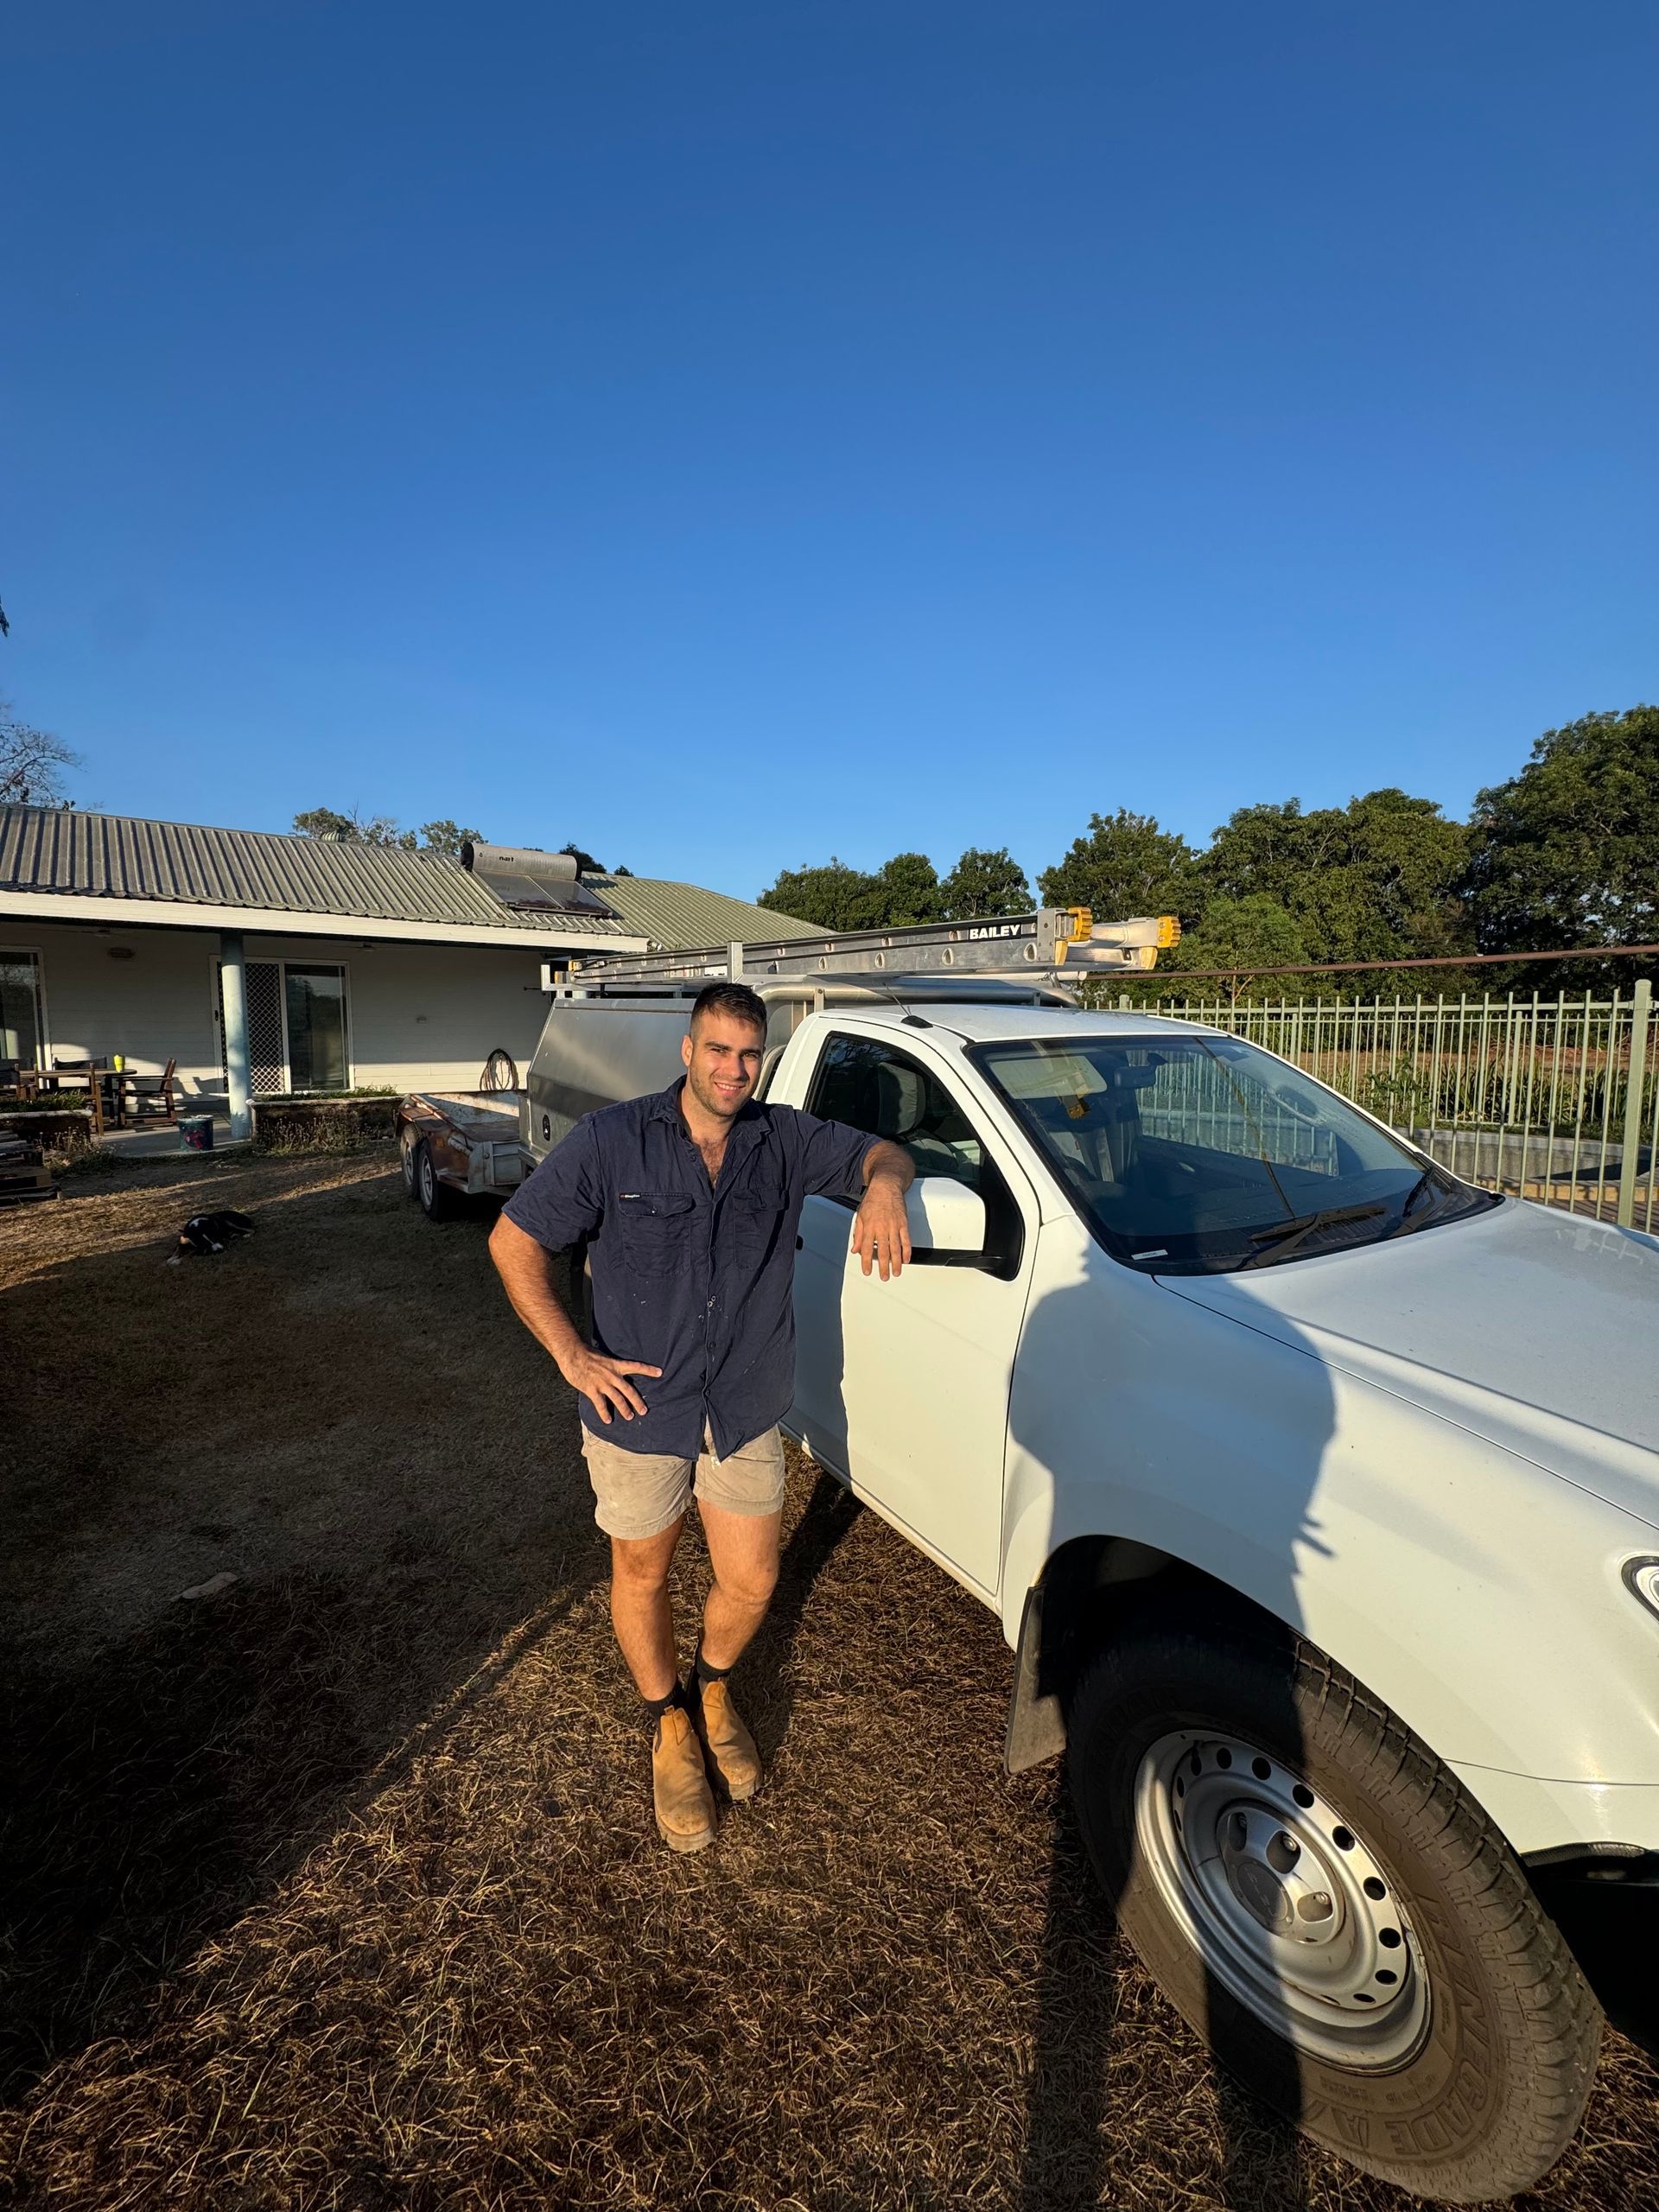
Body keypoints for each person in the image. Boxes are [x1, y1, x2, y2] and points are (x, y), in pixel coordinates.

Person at [489, 980, 914, 1853]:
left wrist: (882, 1190)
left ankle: (713, 1686)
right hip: (641, 1409)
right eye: (717, 1050)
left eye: (749, 1054)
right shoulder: (613, 1140)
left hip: (744, 1402)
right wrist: (572, 1355)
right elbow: (514, 1240)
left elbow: (887, 1153)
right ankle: (667, 1722)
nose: (733, 1069)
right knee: (642, 1574)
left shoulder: (783, 1139)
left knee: (753, 1578)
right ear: (688, 1050)